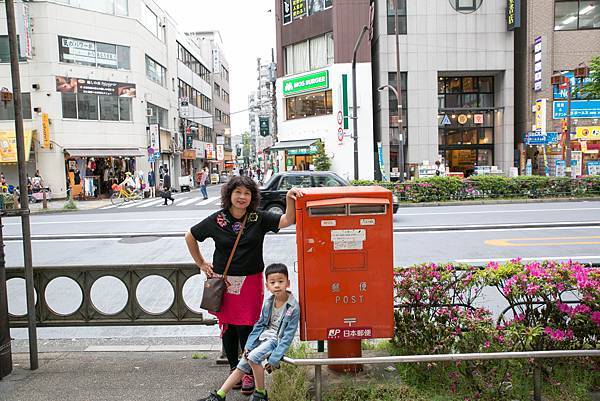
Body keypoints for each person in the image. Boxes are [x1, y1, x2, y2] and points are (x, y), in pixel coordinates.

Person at [185, 176, 302, 396]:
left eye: (247, 193)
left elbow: (287, 220)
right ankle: (233, 369)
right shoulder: (217, 220)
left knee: (249, 327)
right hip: (224, 281)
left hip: (250, 281)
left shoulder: (258, 218)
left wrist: (289, 198)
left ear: (252, 197)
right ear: (229, 194)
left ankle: (247, 371)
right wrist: (201, 263)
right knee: (228, 327)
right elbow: (190, 236)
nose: (242, 197)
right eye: (238, 192)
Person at [199, 263, 299, 401]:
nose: (277, 285)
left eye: (280, 282)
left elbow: (287, 336)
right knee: (241, 364)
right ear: (267, 285)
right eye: (273, 282)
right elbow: (260, 325)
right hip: (262, 338)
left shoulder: (293, 307)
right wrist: (249, 344)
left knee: (252, 358)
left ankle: (261, 393)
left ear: (288, 283)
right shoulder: (269, 302)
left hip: (275, 340)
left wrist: (275, 358)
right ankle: (220, 395)